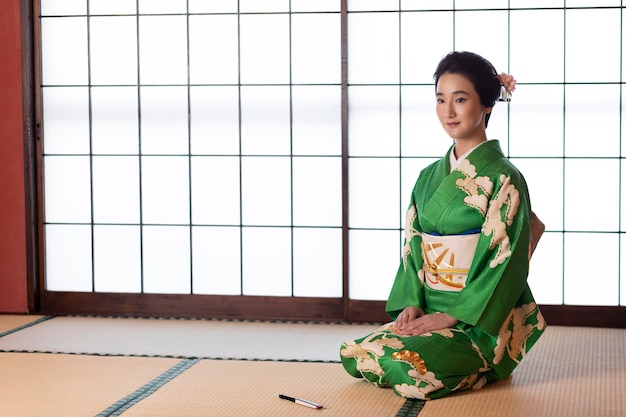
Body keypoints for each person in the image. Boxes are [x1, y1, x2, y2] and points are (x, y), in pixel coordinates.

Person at [340, 51, 546, 400]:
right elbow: (413, 247)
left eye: (460, 99)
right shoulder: (427, 178)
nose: (448, 111)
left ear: (486, 105)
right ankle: (446, 357)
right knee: (355, 354)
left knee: (407, 371)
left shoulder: (503, 178)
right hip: (430, 311)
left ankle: (483, 366)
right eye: (440, 99)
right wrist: (412, 304)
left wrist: (450, 317)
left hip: (478, 321)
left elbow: (506, 264)